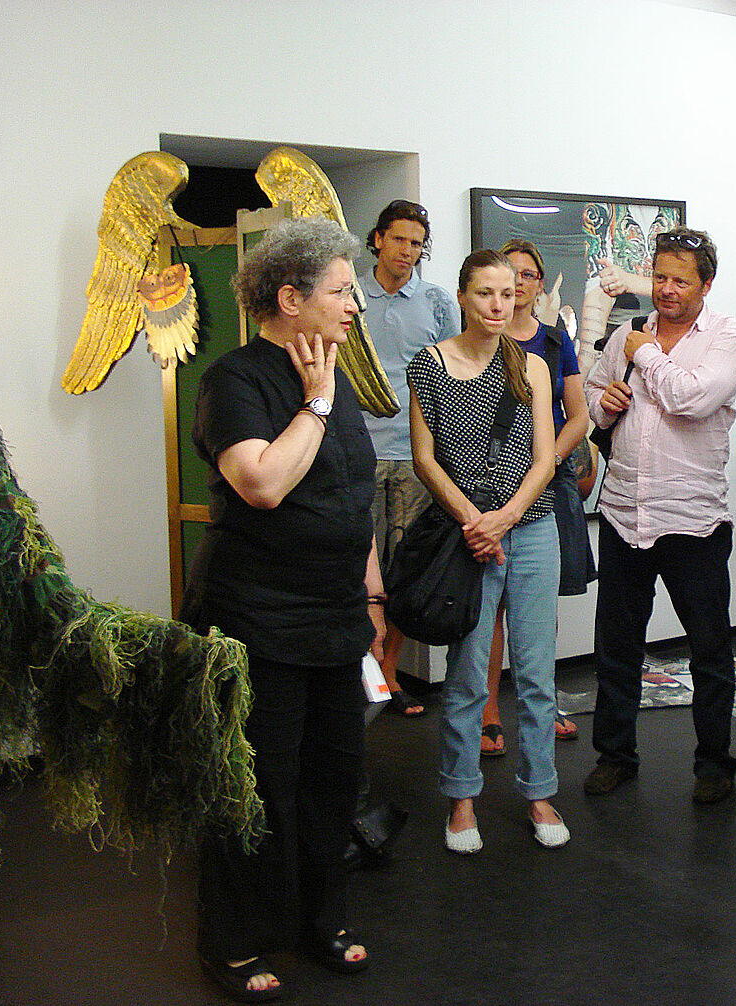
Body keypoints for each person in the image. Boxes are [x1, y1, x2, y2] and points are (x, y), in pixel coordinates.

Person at [182, 218, 381, 1002]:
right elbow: (262, 483)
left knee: (333, 781)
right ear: (290, 297)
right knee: (255, 785)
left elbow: (350, 492)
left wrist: (369, 587)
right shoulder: (235, 380)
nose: (355, 306)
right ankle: (231, 942)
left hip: (333, 620)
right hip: (256, 622)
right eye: (341, 291)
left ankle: (317, 920)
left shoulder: (330, 372)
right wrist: (320, 404)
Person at [407, 249, 568, 853]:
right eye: (485, 294)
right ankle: (460, 798)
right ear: (464, 296)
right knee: (469, 673)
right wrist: (476, 521)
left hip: (530, 528)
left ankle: (540, 791)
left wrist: (504, 518)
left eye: (509, 293)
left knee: (535, 672)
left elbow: (546, 456)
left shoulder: (530, 367)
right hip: (466, 534)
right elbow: (426, 457)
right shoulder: (429, 366)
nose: (499, 305)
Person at [582, 227, 736, 804]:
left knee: (707, 649)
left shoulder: (724, 336)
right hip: (626, 512)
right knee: (617, 646)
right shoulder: (628, 335)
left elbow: (692, 400)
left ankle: (714, 765)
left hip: (693, 520)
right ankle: (614, 755)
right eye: (659, 278)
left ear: (706, 284)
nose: (666, 291)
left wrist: (643, 355)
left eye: (681, 281)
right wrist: (603, 406)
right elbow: (593, 402)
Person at [479, 238, 594, 754]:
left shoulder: (553, 341)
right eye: (510, 275)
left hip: (547, 484)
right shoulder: (472, 342)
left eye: (528, 276)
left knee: (537, 602)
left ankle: (540, 707)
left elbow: (578, 416)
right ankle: (487, 709)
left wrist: (545, 467)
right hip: (487, 487)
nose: (518, 285)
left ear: (538, 285)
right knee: (490, 605)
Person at [360, 199, 460, 717]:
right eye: (399, 239)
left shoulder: (440, 303)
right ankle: (360, 672)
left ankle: (390, 673)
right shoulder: (350, 296)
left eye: (418, 243)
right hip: (359, 452)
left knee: (404, 570)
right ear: (378, 239)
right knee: (358, 569)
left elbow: (452, 375)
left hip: (418, 455)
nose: (408, 251)